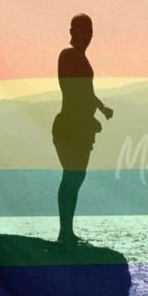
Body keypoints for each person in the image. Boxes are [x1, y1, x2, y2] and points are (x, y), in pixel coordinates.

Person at [52, 13, 113, 244]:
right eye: (81, 32)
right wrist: (91, 113)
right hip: (69, 126)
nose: (86, 37)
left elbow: (87, 92)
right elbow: (75, 92)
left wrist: (101, 108)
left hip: (82, 128)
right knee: (71, 176)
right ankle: (64, 232)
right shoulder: (67, 57)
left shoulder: (82, 60)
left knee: (76, 178)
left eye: (89, 32)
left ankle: (67, 231)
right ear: (72, 33)